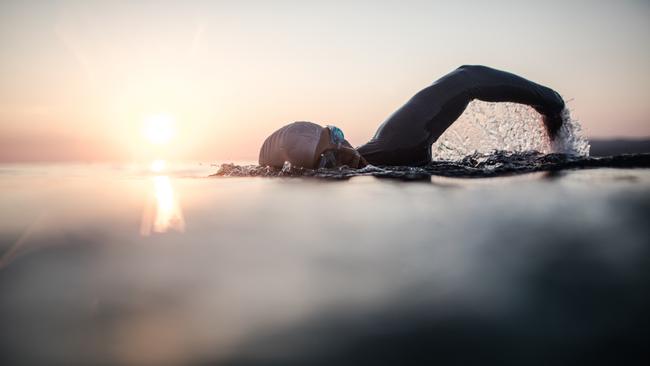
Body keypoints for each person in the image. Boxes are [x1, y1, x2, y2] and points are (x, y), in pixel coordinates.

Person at [259, 65, 565, 169]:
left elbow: (467, 77)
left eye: (337, 135)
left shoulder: (398, 142)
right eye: (329, 159)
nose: (346, 152)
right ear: (315, 174)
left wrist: (549, 104)